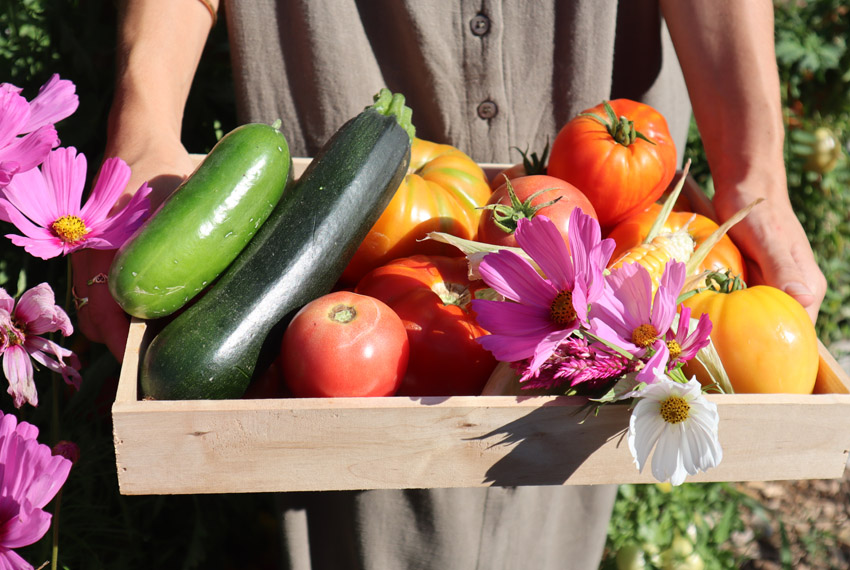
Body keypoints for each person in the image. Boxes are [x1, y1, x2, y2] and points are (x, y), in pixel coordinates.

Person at [73, 1, 826, 569]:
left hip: (588, 161)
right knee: (342, 489)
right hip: (347, 78)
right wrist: (139, 135)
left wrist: (756, 174)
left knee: (560, 467)